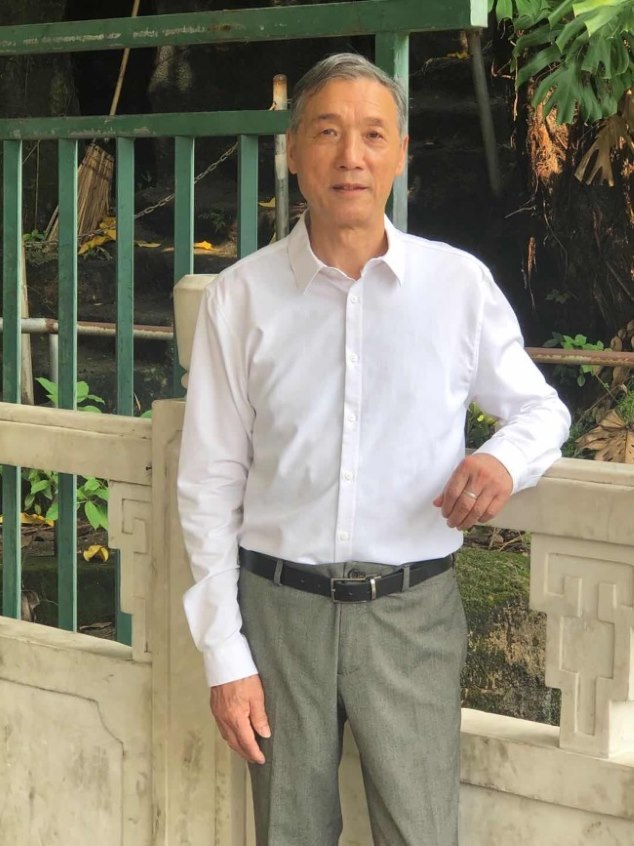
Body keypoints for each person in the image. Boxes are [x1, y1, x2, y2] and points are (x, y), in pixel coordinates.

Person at [177, 53, 570, 846]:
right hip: (279, 615)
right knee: (288, 834)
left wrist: (503, 460)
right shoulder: (241, 297)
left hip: (411, 613)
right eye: (327, 132)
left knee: (421, 832)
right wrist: (225, 655)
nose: (350, 156)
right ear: (295, 151)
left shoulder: (456, 287)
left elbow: (541, 410)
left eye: (372, 135)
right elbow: (209, 481)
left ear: (400, 153)